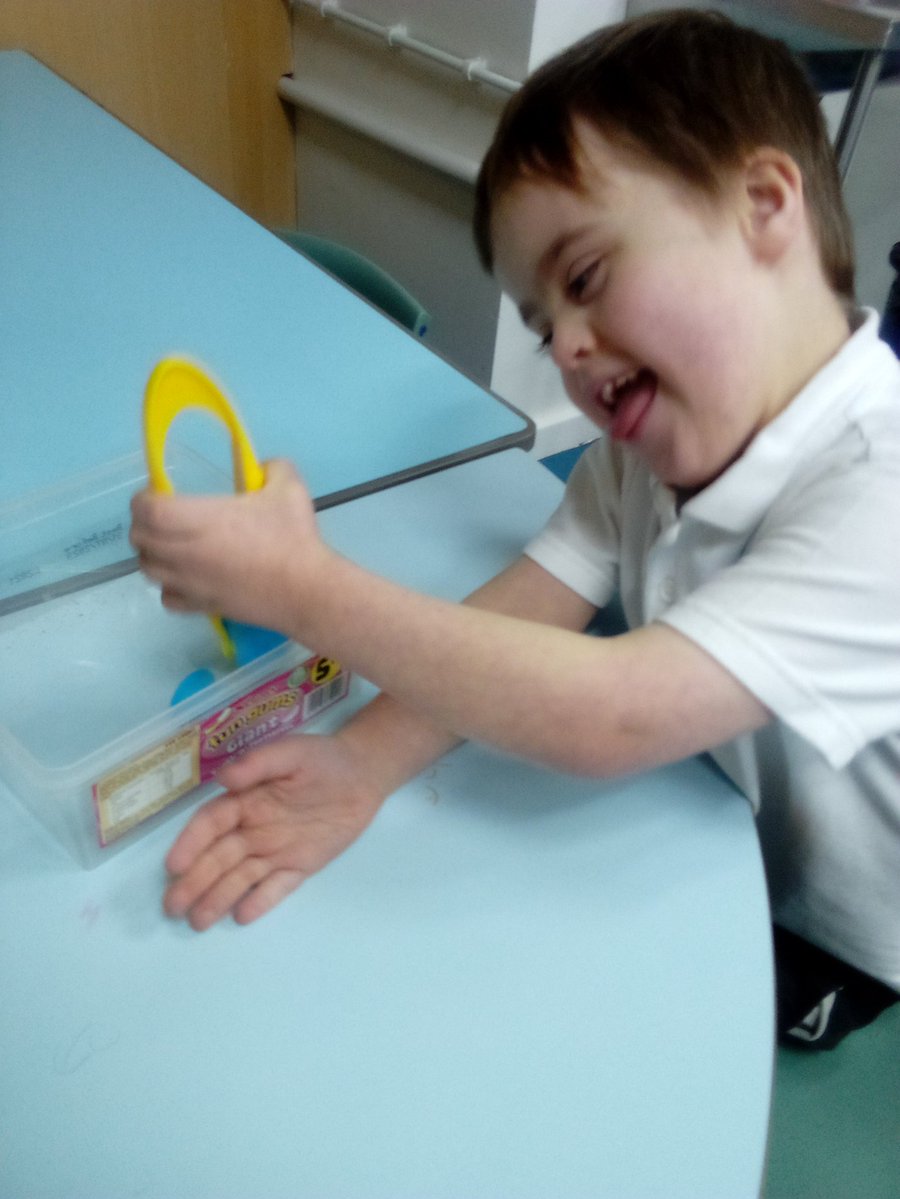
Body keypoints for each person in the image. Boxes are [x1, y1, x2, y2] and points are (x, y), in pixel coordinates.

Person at [131, 10, 900, 1049]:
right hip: (712, 807)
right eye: (545, 324)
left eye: (584, 279)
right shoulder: (654, 438)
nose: (569, 352)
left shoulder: (879, 492)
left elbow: (613, 717)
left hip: (835, 922)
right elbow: (542, 593)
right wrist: (365, 762)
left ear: (764, 206)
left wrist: (305, 589)